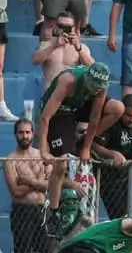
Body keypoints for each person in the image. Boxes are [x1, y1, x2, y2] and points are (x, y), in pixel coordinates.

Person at [37, 62, 122, 214]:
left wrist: (86, 148)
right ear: (87, 78)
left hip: (79, 108)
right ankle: (53, 211)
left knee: (117, 108)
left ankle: (81, 142)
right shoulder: (68, 81)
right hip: (59, 112)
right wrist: (43, 149)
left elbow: (95, 119)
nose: (97, 89)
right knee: (61, 164)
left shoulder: (100, 88)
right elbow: (45, 117)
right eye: (94, 85)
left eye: (99, 87)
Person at [4, 119, 51, 253]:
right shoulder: (10, 160)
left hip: (42, 210)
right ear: (15, 135)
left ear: (32, 134)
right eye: (21, 132)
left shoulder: (41, 156)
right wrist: (38, 182)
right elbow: (16, 191)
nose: (24, 136)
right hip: (22, 211)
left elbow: (49, 186)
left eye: (27, 132)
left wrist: (28, 180)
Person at [31, 9, 96, 92]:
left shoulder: (81, 47)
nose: (63, 29)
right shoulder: (47, 44)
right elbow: (34, 60)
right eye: (60, 26)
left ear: (74, 28)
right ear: (55, 27)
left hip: (71, 98)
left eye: (68, 27)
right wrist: (54, 46)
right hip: (50, 95)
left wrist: (79, 49)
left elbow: (93, 68)